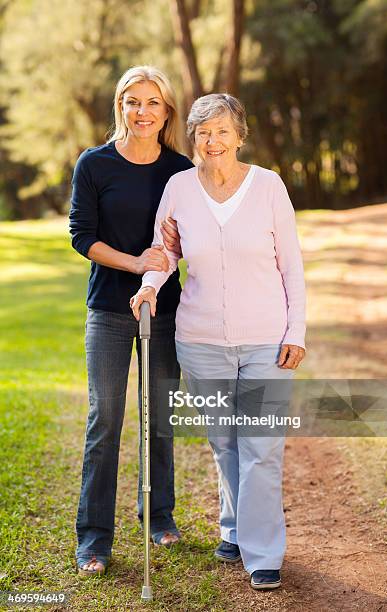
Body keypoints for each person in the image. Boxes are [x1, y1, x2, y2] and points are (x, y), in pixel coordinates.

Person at [130, 93, 306, 590]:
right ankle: (233, 527)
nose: (213, 141)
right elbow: (164, 252)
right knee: (224, 441)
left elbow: (291, 265)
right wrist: (148, 285)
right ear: (193, 137)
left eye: (223, 131)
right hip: (201, 339)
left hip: (266, 340)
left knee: (262, 447)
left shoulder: (269, 186)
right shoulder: (179, 188)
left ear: (240, 136)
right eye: (204, 132)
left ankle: (262, 553)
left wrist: (297, 331)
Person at [69, 65, 193, 577]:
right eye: (133, 101)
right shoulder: (93, 165)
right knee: (105, 422)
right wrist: (136, 262)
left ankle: (159, 516)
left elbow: (192, 236)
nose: (143, 112)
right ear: (120, 105)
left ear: (166, 112)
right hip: (109, 310)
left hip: (165, 312)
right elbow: (82, 236)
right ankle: (94, 540)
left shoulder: (181, 169)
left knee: (159, 418)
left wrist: (167, 259)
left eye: (153, 103)